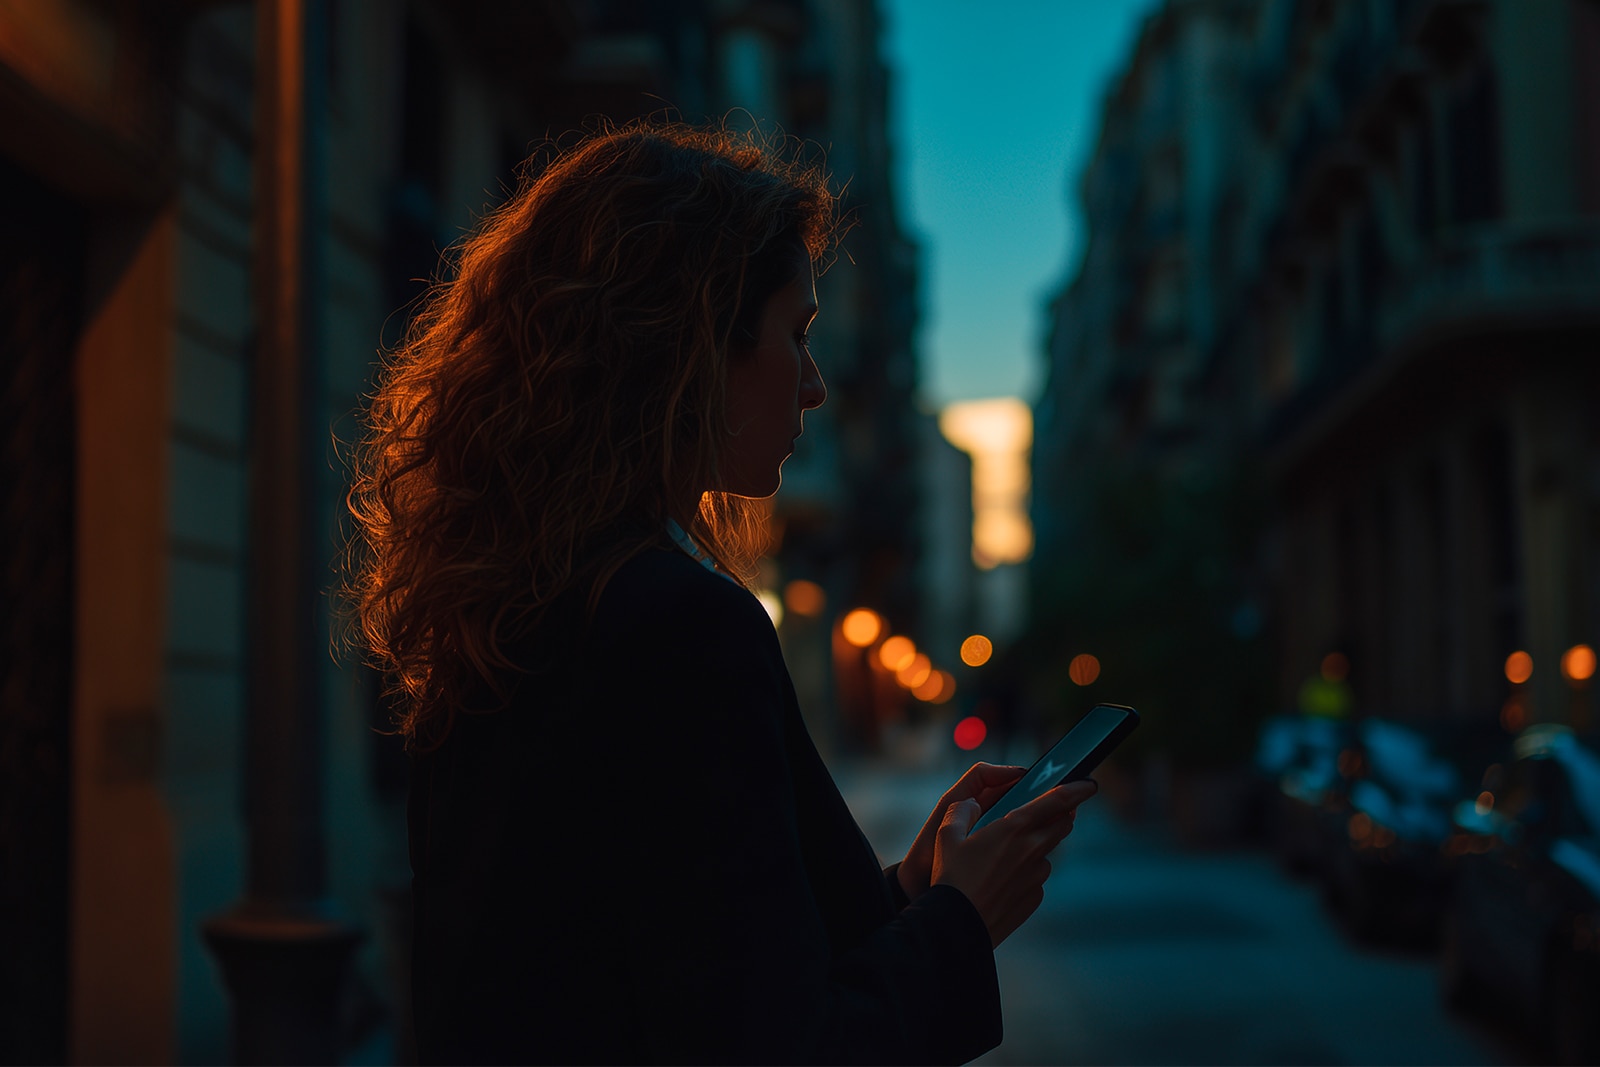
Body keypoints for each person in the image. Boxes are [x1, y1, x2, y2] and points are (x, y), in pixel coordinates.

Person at [345, 120, 1097, 1065]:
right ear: (694, 346)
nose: (817, 385)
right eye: (797, 333)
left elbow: (680, 952)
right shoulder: (677, 625)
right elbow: (778, 1043)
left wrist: (909, 889)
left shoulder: (516, 598)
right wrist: (960, 919)